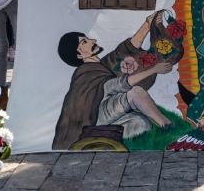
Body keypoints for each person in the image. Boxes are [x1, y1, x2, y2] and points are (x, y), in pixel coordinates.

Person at [52, 12, 174, 150]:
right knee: (135, 92)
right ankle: (168, 127)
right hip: (94, 117)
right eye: (84, 42)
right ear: (79, 55)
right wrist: (154, 70)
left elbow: (127, 49)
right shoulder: (86, 73)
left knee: (141, 123)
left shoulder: (101, 65)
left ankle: (101, 137)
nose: (93, 41)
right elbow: (119, 84)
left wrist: (148, 23)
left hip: (105, 117)